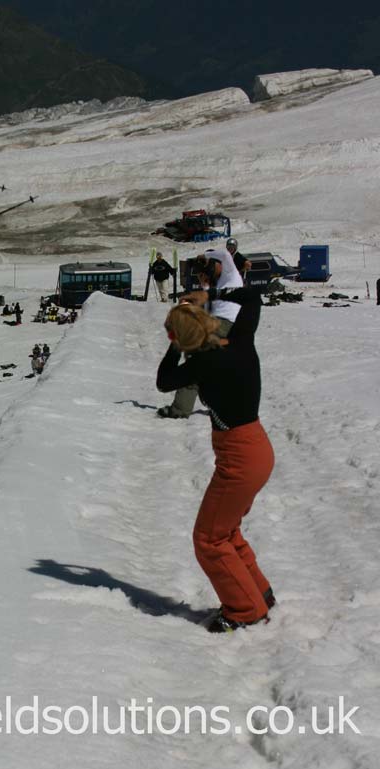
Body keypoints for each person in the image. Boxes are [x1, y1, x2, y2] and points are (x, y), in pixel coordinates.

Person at [157, 284, 276, 633]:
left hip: (238, 459)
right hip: (258, 447)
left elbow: (164, 381)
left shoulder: (202, 364)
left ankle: (245, 610)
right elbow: (252, 298)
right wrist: (207, 300)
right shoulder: (241, 341)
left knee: (209, 538)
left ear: (182, 338)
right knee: (226, 531)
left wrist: (174, 343)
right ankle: (259, 593)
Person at [157, 248, 243, 419]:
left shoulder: (231, 275)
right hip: (219, 325)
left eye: (211, 265)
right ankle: (220, 405)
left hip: (224, 325)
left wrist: (204, 255)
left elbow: (225, 255)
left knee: (197, 363)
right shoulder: (218, 284)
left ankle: (181, 410)